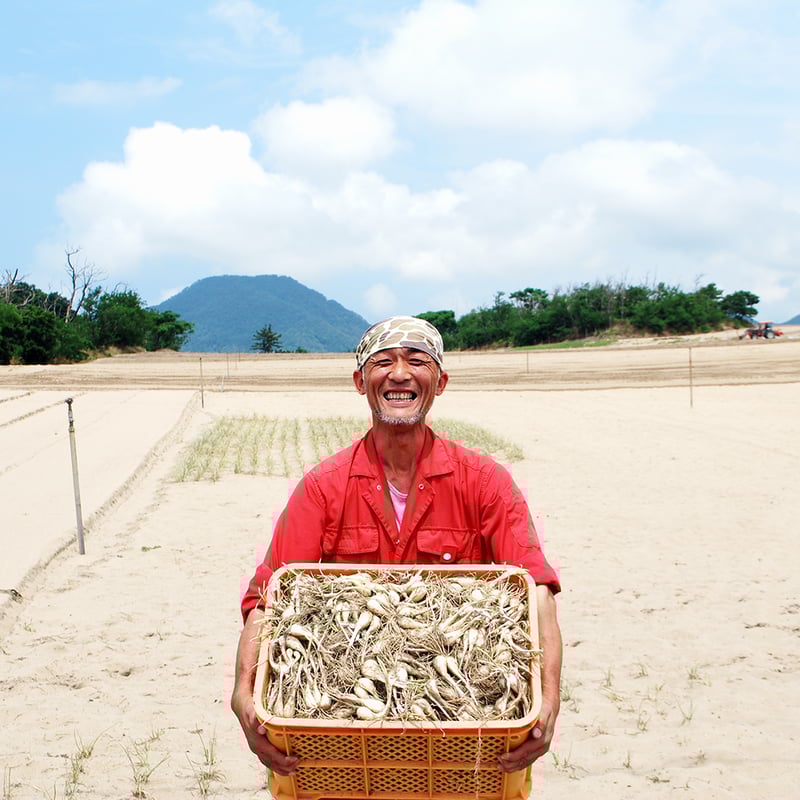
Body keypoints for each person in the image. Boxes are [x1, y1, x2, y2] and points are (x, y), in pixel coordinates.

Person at [231, 315, 562, 777]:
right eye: (383, 362)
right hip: (349, 745)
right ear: (361, 381)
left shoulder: (486, 482)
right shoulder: (324, 487)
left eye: (417, 361)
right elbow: (268, 597)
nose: (400, 373)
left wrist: (549, 698)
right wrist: (243, 691)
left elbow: (536, 589)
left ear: (440, 381)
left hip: (460, 747)